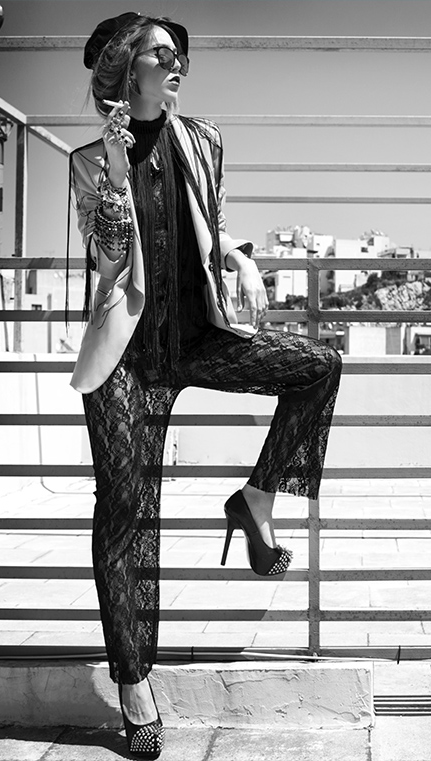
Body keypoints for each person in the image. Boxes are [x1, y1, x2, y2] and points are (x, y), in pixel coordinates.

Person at [68, 11, 342, 759]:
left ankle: (255, 499)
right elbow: (108, 262)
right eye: (162, 54)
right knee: (125, 512)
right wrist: (116, 172)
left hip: (197, 339)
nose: (177, 64)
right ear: (129, 69)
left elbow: (204, 222)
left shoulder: (204, 140)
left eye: (179, 55)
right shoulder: (89, 161)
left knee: (318, 367)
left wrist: (241, 256)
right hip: (127, 356)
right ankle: (134, 683)